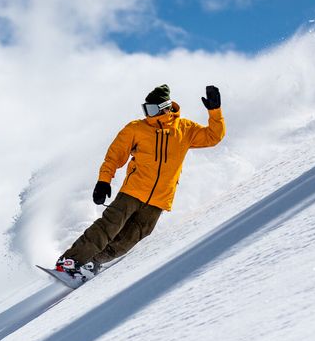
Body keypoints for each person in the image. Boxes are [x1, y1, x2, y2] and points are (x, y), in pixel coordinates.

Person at [55, 83, 225, 278]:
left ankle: (92, 263)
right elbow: (114, 156)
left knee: (127, 241)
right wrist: (104, 181)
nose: (148, 114)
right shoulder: (136, 128)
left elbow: (213, 136)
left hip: (159, 200)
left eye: (152, 109)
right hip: (133, 191)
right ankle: (70, 261)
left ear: (165, 107)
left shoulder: (185, 129)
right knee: (108, 227)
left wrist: (215, 111)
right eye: (146, 109)